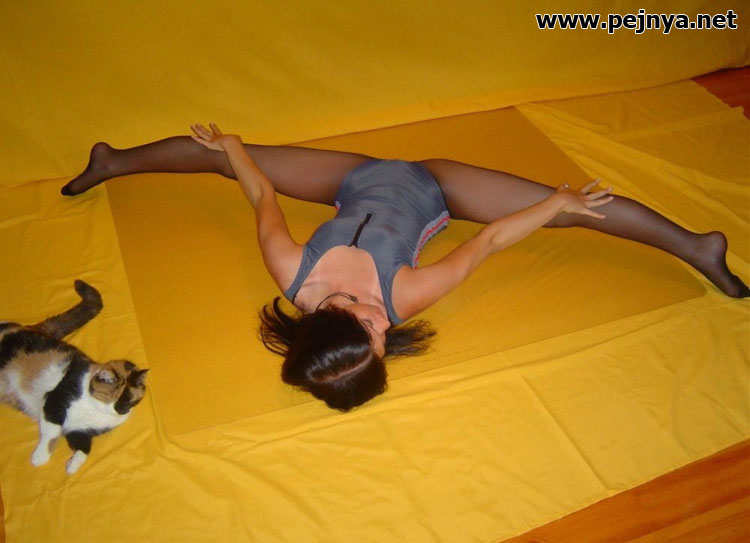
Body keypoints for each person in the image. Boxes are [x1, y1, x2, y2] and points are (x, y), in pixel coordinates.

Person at [61, 123, 749, 410]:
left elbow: (263, 194)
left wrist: (235, 145)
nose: (385, 325)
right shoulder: (405, 295)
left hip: (351, 177)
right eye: (384, 339)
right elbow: (489, 241)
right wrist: (555, 202)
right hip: (436, 185)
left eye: (369, 328)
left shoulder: (293, 268)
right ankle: (696, 246)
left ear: (326, 316)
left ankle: (113, 161)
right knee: (568, 210)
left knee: (221, 158)